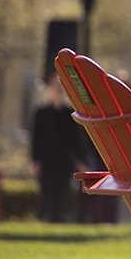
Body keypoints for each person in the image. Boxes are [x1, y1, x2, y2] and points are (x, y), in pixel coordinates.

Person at [31, 71, 85, 223]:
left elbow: (76, 140)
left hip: (64, 160)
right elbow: (36, 138)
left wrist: (79, 160)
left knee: (62, 190)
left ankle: (57, 217)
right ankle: (46, 217)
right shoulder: (41, 113)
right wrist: (35, 160)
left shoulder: (70, 114)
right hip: (46, 159)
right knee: (47, 189)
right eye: (55, 87)